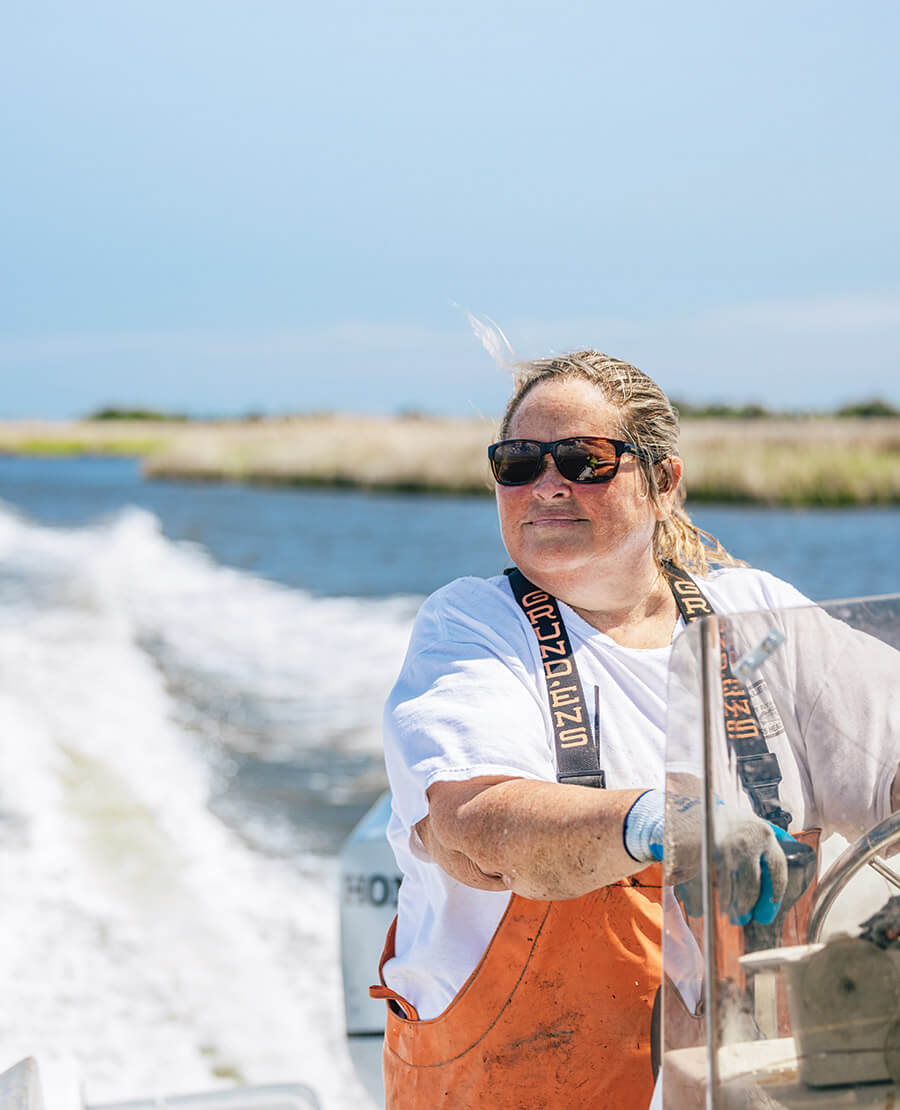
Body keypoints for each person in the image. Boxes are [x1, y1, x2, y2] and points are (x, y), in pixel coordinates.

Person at [371, 350, 900, 1109]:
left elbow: (891, 775)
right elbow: (471, 826)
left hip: (747, 1081)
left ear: (663, 482)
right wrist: (660, 820)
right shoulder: (471, 624)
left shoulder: (758, 617)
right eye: (518, 462)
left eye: (585, 461)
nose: (548, 483)